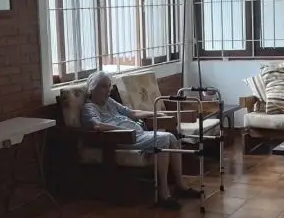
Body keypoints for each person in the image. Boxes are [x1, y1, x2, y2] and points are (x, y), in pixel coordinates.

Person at [82, 71, 200, 209]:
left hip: (137, 134)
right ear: (92, 88)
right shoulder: (89, 108)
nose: (108, 90)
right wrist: (122, 129)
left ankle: (180, 185)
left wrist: (155, 113)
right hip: (123, 138)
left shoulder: (109, 102)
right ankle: (163, 193)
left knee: (172, 138)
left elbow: (131, 113)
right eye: (103, 86)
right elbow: (97, 125)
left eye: (109, 86)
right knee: (163, 139)